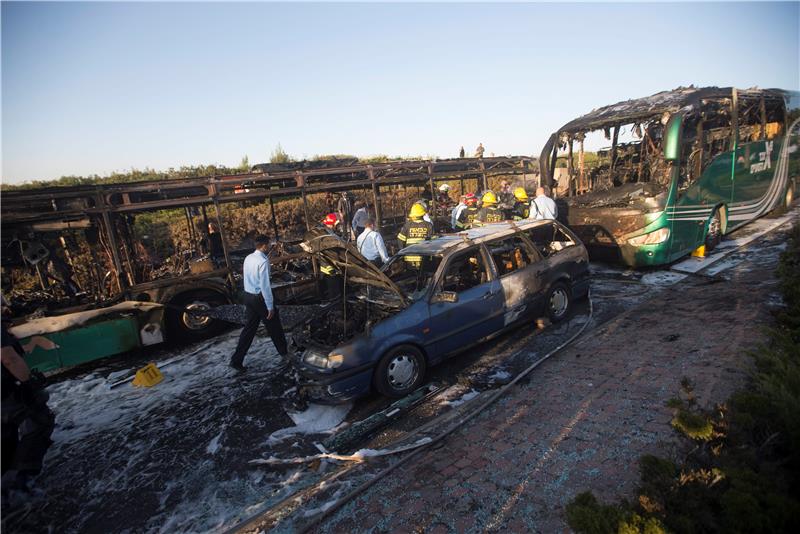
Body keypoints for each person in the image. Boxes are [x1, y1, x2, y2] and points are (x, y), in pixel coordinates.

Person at [1, 315, 57, 492]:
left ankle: (7, 480)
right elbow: (8, 358)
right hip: (6, 393)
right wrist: (27, 384)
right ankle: (22, 480)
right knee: (38, 419)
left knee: (6, 433)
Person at [229, 235, 288, 372]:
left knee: (249, 329)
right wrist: (269, 306)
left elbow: (247, 276)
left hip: (248, 296)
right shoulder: (263, 260)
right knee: (275, 328)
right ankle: (285, 354)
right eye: (268, 244)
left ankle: (236, 360)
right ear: (264, 245)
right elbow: (265, 285)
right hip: (260, 298)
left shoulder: (248, 258)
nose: (269, 246)